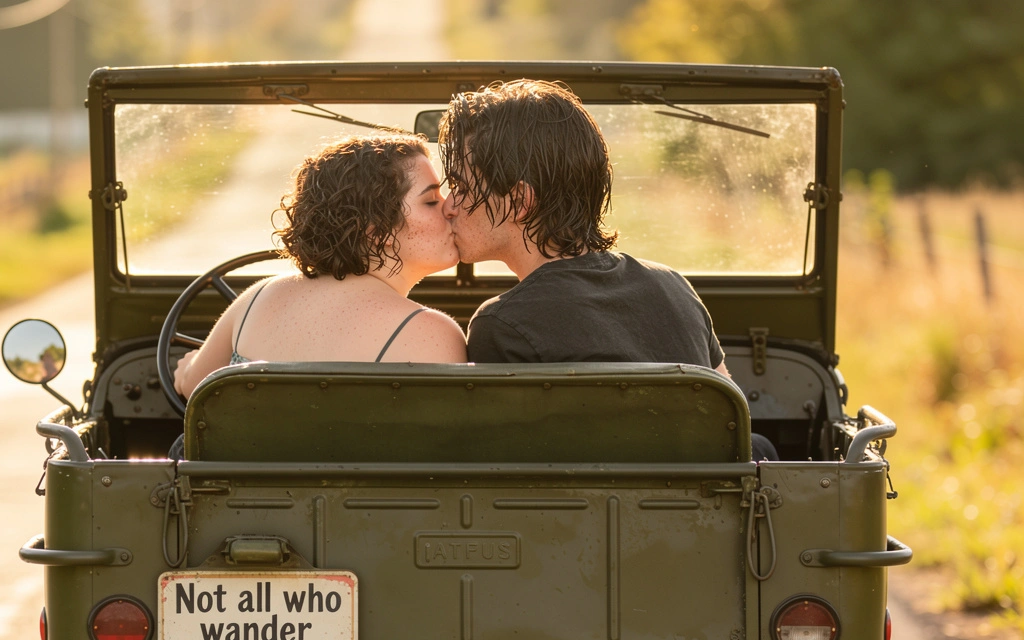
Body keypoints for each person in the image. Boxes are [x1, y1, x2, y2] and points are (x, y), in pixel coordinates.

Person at [439, 79, 776, 460]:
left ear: (519, 201)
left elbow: (508, 471)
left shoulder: (503, 324)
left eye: (462, 187)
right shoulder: (673, 286)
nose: (449, 205)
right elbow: (732, 424)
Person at [174, 133, 466, 398]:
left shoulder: (258, 297)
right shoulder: (431, 333)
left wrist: (187, 367)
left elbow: (193, 387)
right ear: (378, 232)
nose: (451, 207)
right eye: (431, 200)